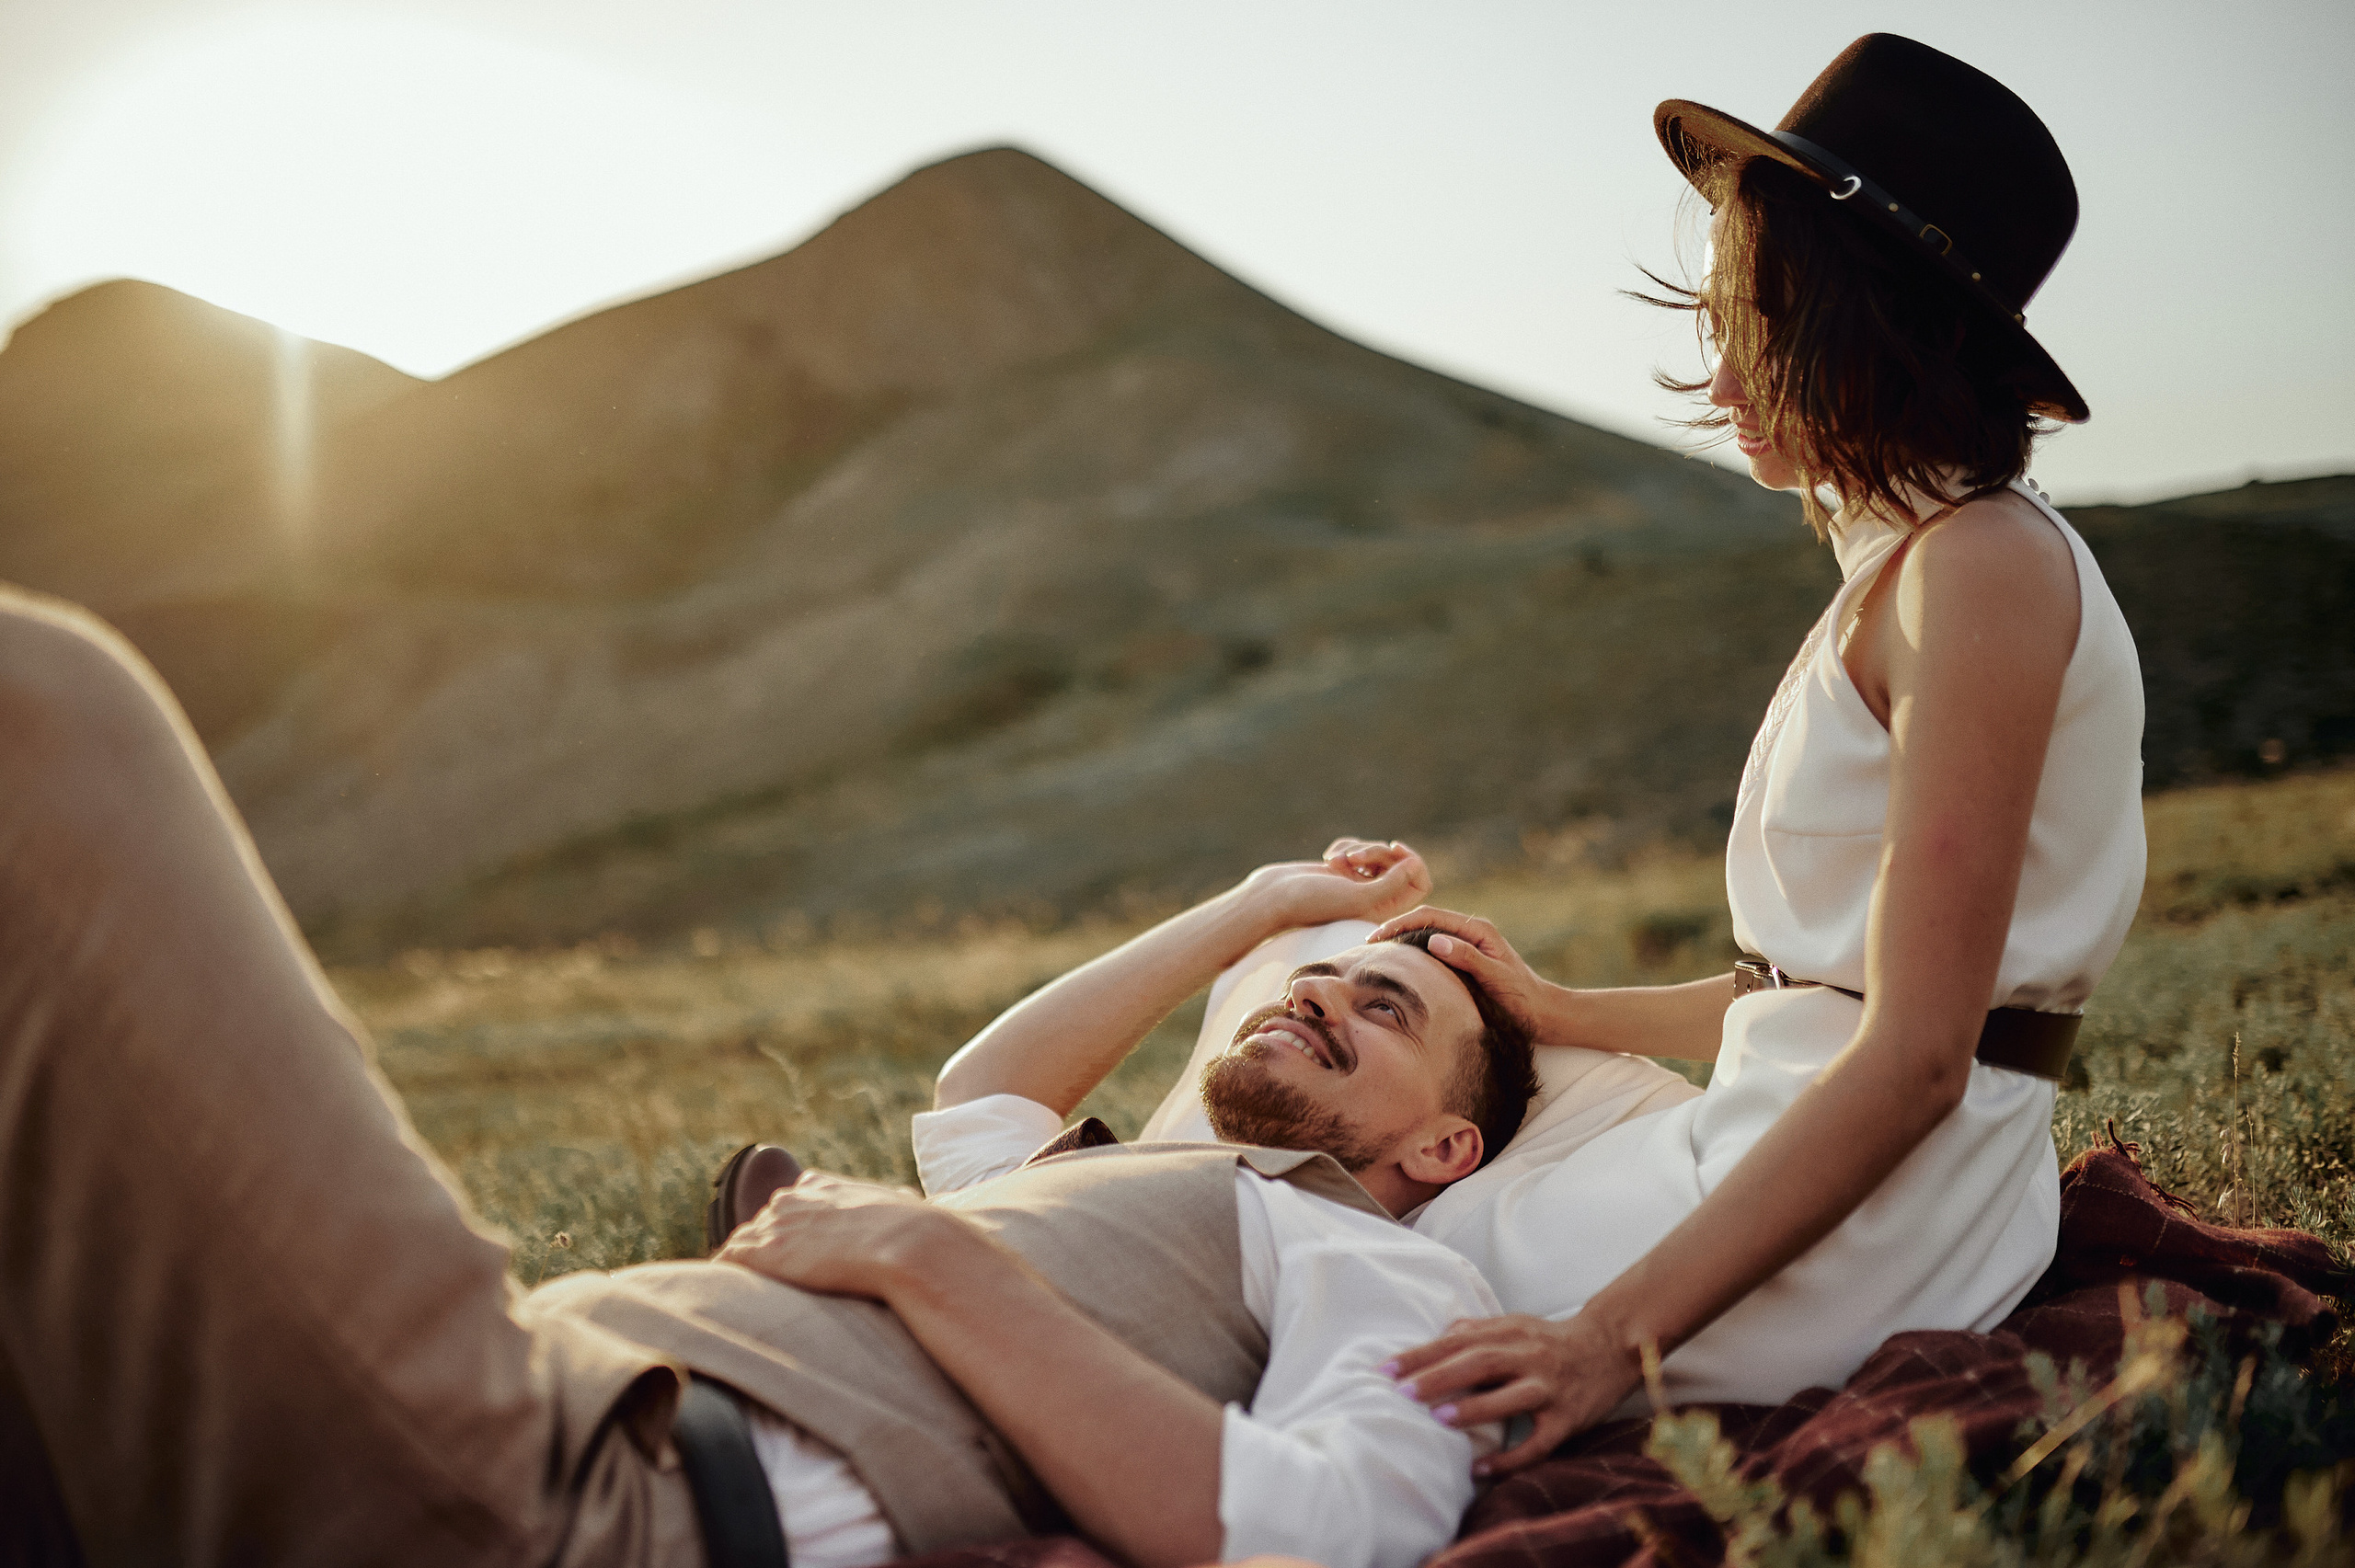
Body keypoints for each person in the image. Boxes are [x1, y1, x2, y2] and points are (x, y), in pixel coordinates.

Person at [0, 590, 1535, 1568]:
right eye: (1310, 980)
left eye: (1382, 1004)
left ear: (1451, 1143)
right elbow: (977, 1092)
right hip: (544, 1400)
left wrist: (926, 1254)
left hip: (596, 1500)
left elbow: (1330, 1532)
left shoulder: (1380, 1271)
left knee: (52, 720)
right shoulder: (1117, 1180)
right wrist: (1263, 906)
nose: (1319, 989)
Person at [1356, 34, 2145, 1471]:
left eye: (1753, 318)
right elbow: (1820, 991)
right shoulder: (1918, 565)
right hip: (1823, 1139)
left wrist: (1604, 1343)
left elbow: (1912, 1054)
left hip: (1872, 1219)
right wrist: (1553, 1003)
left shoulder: (1979, 574)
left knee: (1336, 1226)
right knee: (1391, 1104)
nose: (1715, 372)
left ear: (1866, 322)